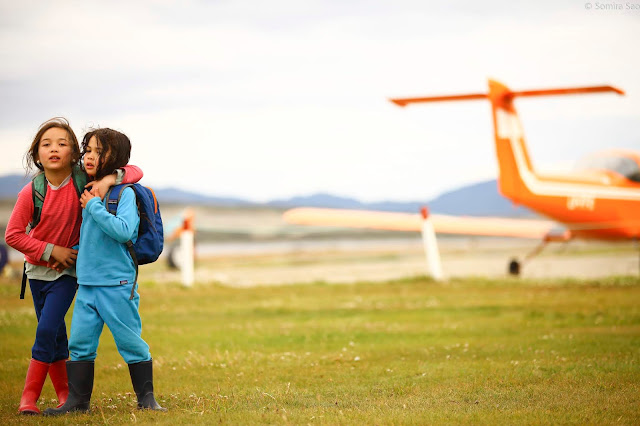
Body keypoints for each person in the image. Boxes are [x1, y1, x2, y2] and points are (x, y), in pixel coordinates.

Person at [4, 118, 143, 415]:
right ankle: (66, 395)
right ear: (36, 154)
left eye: (62, 144)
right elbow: (13, 235)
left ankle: (28, 398)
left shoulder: (83, 180)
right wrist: (50, 250)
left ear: (73, 154)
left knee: (47, 329)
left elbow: (134, 170)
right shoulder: (32, 191)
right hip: (37, 271)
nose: (54, 149)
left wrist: (109, 179)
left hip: (69, 271)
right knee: (55, 335)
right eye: (46, 144)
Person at [45, 128, 165, 415]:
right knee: (80, 344)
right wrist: (68, 254)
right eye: (88, 150)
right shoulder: (89, 190)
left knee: (130, 342)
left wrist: (95, 207)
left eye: (99, 152)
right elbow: (90, 236)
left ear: (115, 158)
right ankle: (77, 403)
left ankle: (147, 399)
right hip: (87, 284)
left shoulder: (123, 193)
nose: (89, 156)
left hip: (117, 284)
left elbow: (123, 231)